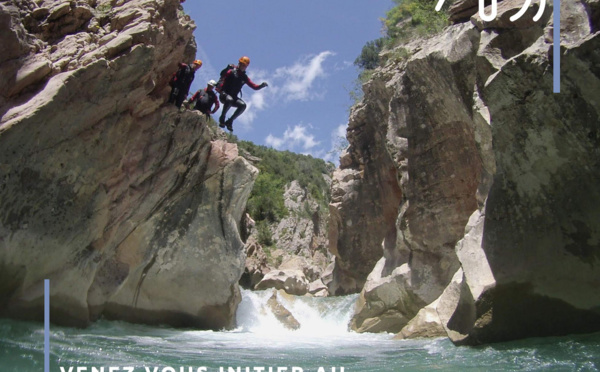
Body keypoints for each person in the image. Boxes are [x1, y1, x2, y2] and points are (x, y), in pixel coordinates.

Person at [216, 56, 268, 131]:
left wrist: (261, 86)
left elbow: (254, 86)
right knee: (229, 100)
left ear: (246, 67)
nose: (243, 66)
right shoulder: (231, 71)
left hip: (233, 97)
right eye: (242, 64)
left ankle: (230, 121)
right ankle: (222, 117)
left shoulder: (244, 77)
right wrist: (227, 68)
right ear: (239, 63)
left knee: (243, 105)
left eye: (244, 65)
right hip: (224, 94)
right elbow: (222, 74)